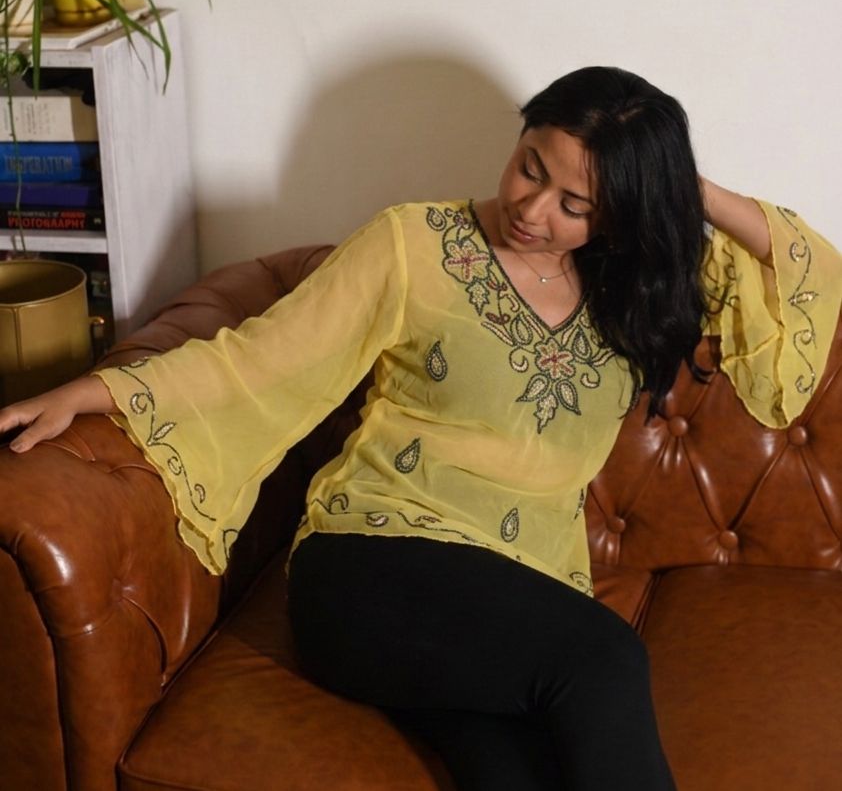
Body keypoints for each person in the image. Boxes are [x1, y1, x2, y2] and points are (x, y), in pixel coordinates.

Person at [2, 65, 840, 791]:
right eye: (529, 166)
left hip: (513, 599)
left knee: (517, 773)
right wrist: (100, 388)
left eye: (575, 202)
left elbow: (808, 270)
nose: (532, 208)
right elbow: (258, 359)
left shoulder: (634, 288)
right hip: (370, 563)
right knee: (606, 657)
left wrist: (678, 183)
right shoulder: (412, 244)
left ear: (620, 213)